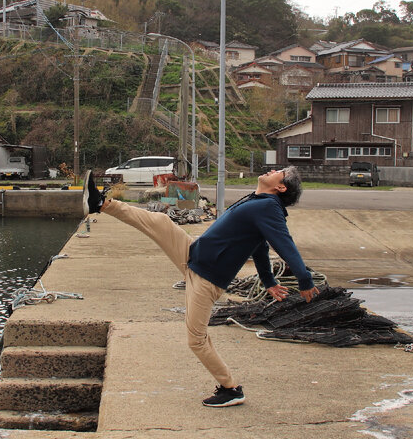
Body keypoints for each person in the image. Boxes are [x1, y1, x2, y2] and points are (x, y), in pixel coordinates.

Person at [82, 166, 317, 407]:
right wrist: (268, 281)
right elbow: (259, 246)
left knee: (196, 339)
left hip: (205, 278)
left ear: (281, 187)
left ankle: (231, 389)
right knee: (161, 221)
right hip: (193, 253)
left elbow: (284, 243)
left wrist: (304, 279)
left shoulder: (269, 208)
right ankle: (100, 203)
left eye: (280, 172)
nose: (272, 169)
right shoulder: (259, 201)